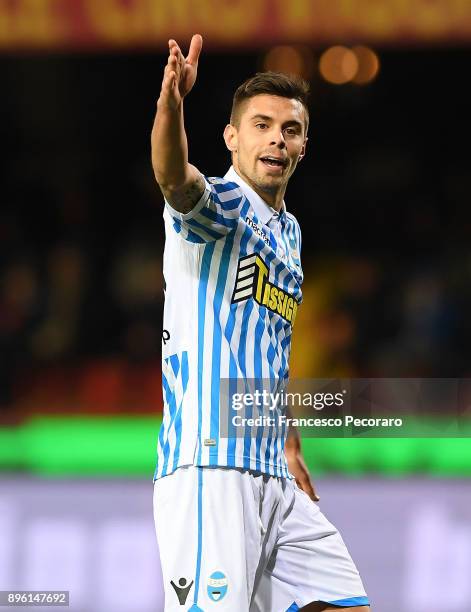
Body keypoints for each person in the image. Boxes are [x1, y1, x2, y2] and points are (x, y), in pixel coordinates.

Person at [151, 34, 370, 612]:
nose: (277, 137)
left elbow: (273, 347)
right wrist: (170, 103)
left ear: (302, 146)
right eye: (261, 124)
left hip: (273, 470)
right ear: (231, 137)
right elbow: (174, 177)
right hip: (211, 465)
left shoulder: (290, 233)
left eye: (290, 129)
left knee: (346, 604)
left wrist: (291, 443)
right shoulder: (220, 206)